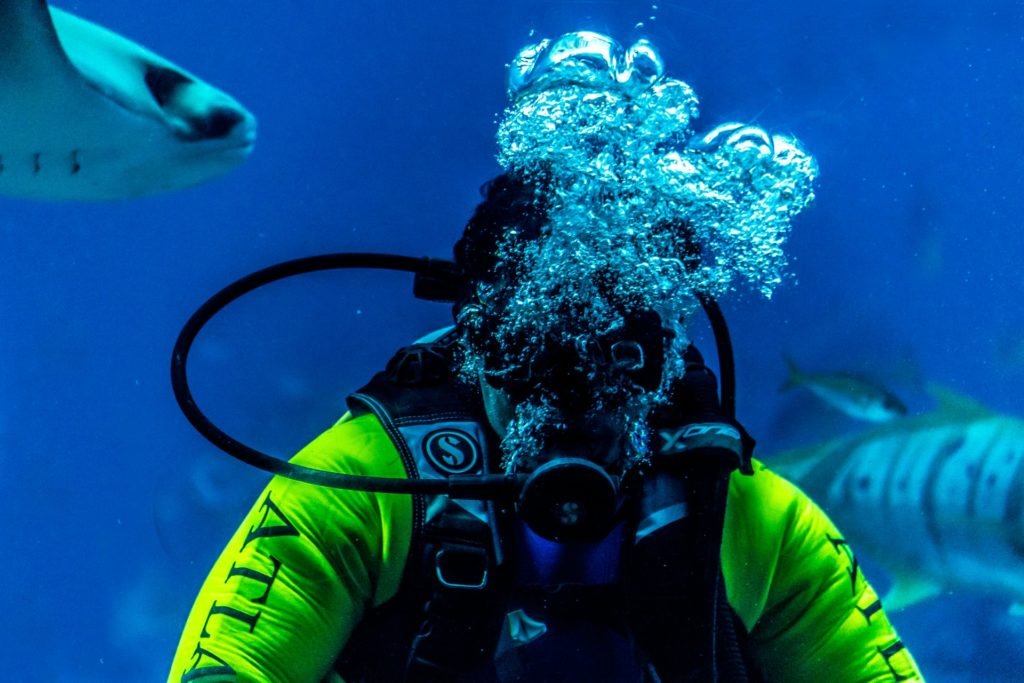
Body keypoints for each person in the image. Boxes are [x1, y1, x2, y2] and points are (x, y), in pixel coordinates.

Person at [167, 32, 923, 683]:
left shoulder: (747, 521)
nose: (572, 400)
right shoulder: (371, 489)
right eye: (532, 352)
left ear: (663, 363)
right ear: (476, 345)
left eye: (617, 360)